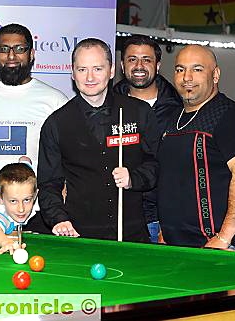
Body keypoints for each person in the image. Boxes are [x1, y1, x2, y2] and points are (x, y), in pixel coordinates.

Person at [38, 38, 160, 241]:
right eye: (82, 69)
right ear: (72, 73)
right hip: (80, 234)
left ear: (111, 71)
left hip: (132, 233)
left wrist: (134, 179)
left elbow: (156, 163)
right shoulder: (56, 123)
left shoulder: (138, 112)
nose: (90, 77)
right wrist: (58, 219)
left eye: (97, 68)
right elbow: (49, 184)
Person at [157, 44, 235, 250]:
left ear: (215, 74)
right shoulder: (172, 118)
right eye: (180, 69)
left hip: (221, 248)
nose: (187, 77)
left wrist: (224, 237)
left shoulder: (229, 115)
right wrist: (165, 230)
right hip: (177, 245)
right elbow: (173, 180)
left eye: (197, 69)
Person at [0, 23, 68, 233]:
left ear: (32, 54)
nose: (11, 56)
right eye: (3, 49)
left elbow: (69, 157)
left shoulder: (55, 100)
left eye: (19, 49)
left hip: (38, 214)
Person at [114, 35, 182, 242]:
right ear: (122, 65)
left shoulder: (178, 109)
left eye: (147, 59)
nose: (139, 65)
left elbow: (182, 172)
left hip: (160, 221)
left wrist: (169, 224)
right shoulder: (107, 105)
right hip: (117, 217)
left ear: (158, 65)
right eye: (132, 59)